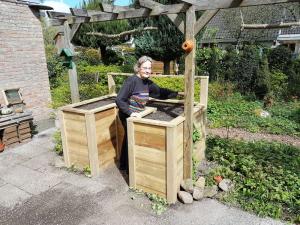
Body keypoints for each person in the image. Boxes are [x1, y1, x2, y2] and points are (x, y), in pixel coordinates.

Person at [115, 56, 183, 172]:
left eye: (149, 68)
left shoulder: (147, 83)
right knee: (130, 139)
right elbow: (120, 99)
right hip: (127, 115)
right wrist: (130, 113)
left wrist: (176, 93)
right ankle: (127, 167)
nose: (148, 70)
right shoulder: (131, 81)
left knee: (131, 138)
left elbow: (160, 92)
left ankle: (127, 165)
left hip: (138, 114)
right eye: (145, 68)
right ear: (138, 68)